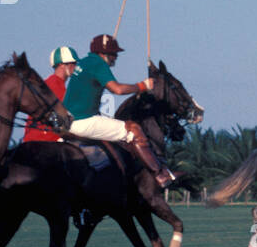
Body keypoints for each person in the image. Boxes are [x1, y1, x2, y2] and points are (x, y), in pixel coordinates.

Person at [63, 34, 178, 187]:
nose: (115, 57)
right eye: (114, 54)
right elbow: (117, 89)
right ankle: (160, 174)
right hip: (83, 121)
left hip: (67, 121)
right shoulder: (98, 64)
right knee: (134, 129)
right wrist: (142, 86)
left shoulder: (84, 62)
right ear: (104, 54)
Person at [22, 46, 78, 143]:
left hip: (33, 138)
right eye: (73, 63)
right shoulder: (54, 85)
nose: (76, 66)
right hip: (45, 139)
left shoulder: (50, 83)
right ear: (61, 65)